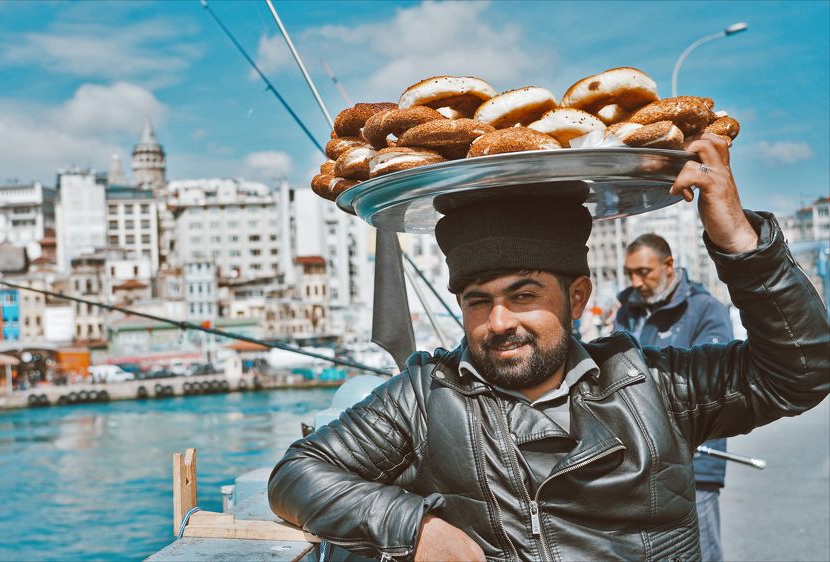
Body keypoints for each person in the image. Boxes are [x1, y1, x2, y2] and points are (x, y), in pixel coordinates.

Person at [267, 133, 830, 561]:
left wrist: (740, 243)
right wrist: (413, 525)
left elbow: (800, 372)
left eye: (523, 294)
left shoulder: (653, 386)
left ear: (577, 295)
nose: (499, 320)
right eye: (477, 300)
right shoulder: (425, 396)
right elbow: (300, 473)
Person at [615, 233, 732, 561]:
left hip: (695, 460)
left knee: (702, 552)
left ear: (668, 265)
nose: (636, 281)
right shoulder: (628, 311)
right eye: (630, 273)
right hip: (639, 462)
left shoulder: (705, 309)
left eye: (644, 272)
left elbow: (714, 382)